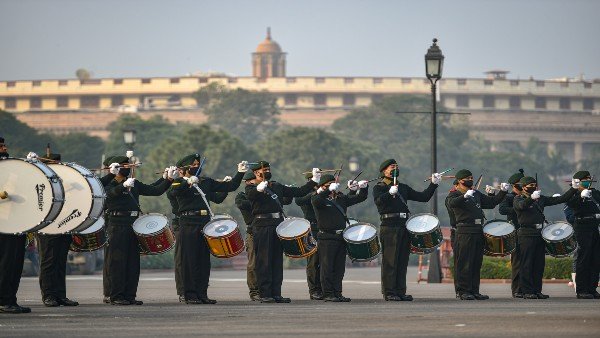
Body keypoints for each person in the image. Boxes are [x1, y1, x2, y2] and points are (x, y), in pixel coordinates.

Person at [171, 154, 246, 304]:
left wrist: (240, 172)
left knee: (203, 261)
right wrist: (188, 183)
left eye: (198, 164)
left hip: (205, 223)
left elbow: (230, 187)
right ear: (184, 168)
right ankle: (190, 295)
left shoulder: (205, 182)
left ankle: (202, 294)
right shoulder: (177, 183)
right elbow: (173, 194)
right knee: (189, 260)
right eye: (193, 164)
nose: (197, 166)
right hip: (188, 223)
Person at [104, 155, 175, 305]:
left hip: (133, 224)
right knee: (117, 262)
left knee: (132, 262)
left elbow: (155, 190)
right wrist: (121, 186)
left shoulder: (133, 183)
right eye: (125, 166)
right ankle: (116, 296)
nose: (128, 168)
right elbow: (108, 195)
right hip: (117, 224)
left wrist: (167, 179)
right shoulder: (108, 183)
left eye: (129, 165)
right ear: (115, 167)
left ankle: (130, 295)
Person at [246, 161, 319, 303]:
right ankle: (265, 294)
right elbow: (250, 196)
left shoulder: (276, 186)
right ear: (256, 173)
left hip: (278, 225)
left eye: (268, 169)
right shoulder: (251, 188)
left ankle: (276, 293)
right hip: (262, 226)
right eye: (263, 170)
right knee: (264, 261)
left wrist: (314, 181)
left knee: (276, 261)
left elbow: (299, 191)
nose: (266, 171)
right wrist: (258, 189)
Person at [373, 159, 441, 301]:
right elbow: (379, 202)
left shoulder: (402, 187)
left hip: (404, 225)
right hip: (389, 226)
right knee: (390, 261)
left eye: (397, 166)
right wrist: (389, 193)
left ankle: (400, 291)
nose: (395, 168)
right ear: (384, 171)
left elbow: (423, 197)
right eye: (392, 166)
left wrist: (433, 184)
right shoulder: (379, 187)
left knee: (402, 260)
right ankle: (389, 292)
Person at [447, 169, 509, 300]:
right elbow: (452, 204)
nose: (470, 179)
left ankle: (474, 290)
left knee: (476, 262)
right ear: (459, 181)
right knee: (464, 262)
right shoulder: (453, 195)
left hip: (477, 230)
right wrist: (464, 196)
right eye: (467, 178)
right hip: (464, 231)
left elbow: (491, 203)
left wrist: (502, 192)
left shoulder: (475, 194)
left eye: (471, 177)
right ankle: (463, 291)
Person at [28, 152, 80, 307]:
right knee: (48, 262)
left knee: (60, 262)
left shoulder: (64, 182)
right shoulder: (40, 181)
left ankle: (60, 295)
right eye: (54, 164)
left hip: (64, 225)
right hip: (47, 227)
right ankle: (49, 295)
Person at [513, 176, 577, 299]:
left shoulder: (540, 199)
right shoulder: (518, 198)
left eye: (534, 185)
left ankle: (537, 290)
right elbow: (521, 207)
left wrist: (573, 189)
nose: (533, 187)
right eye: (530, 185)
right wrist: (531, 199)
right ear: (524, 187)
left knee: (538, 264)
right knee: (527, 264)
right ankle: (527, 291)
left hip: (540, 233)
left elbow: (560, 199)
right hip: (526, 233)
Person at [312, 174, 369, 302]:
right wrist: (327, 190)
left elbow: (360, 197)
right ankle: (327, 293)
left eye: (334, 184)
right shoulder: (318, 198)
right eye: (328, 184)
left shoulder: (340, 198)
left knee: (339, 268)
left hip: (340, 236)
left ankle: (337, 293)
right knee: (327, 267)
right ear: (323, 186)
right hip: (327, 237)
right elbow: (316, 201)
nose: (333, 186)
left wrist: (362, 188)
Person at [0, 136, 31, 314]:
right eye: (1, 146)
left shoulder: (12, 169)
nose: (4, 148)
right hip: (4, 224)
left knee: (14, 264)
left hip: (16, 222)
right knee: (6, 264)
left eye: (4, 145)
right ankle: (4, 300)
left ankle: (10, 299)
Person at [566, 171, 600, 299]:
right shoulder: (573, 193)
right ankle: (581, 289)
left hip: (594, 227)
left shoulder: (594, 192)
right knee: (583, 259)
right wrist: (580, 196)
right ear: (578, 181)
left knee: (595, 259)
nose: (588, 181)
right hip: (582, 228)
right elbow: (570, 204)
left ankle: (592, 288)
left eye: (589, 179)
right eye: (585, 179)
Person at [295, 172, 323, 300]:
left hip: (325, 227)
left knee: (325, 261)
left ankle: (325, 288)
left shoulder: (325, 191)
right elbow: (300, 200)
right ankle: (314, 290)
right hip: (312, 229)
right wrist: (316, 193)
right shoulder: (306, 193)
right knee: (313, 261)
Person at [498, 169, 525, 298]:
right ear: (515, 184)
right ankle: (517, 289)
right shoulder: (508, 197)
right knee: (518, 262)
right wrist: (519, 208)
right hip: (515, 230)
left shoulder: (528, 197)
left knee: (529, 261)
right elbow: (502, 210)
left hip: (528, 231)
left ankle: (528, 288)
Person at [235, 171, 261, 301]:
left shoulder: (265, 192)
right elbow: (242, 205)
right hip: (253, 232)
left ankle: (265, 289)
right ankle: (254, 291)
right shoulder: (242, 196)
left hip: (265, 231)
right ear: (249, 182)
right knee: (253, 263)